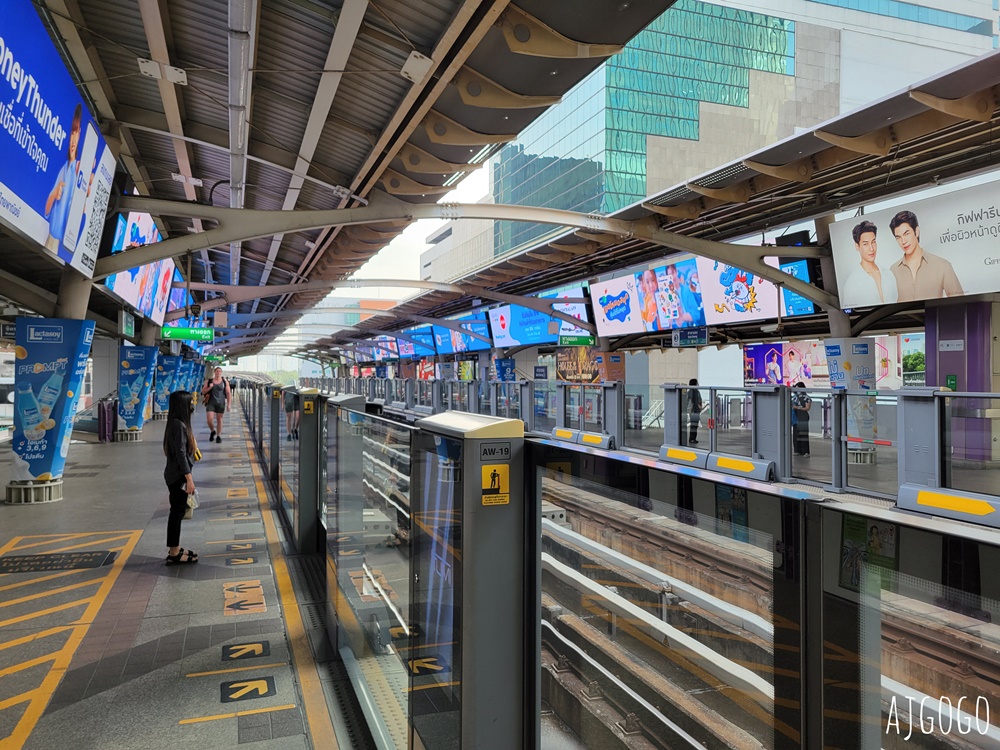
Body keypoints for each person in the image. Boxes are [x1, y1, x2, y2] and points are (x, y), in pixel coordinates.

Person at [888, 210, 963, 302]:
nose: (903, 241)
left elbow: (960, 302)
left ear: (916, 231)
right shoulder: (893, 271)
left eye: (906, 234)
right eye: (898, 237)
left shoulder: (942, 265)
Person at [162, 390, 198, 565]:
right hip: (178, 476)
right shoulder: (179, 425)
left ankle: (174, 548)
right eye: (190, 403)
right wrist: (189, 478)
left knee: (177, 511)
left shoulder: (175, 423)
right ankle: (174, 552)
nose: (192, 406)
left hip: (174, 474)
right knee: (177, 512)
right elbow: (181, 453)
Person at [44, 104, 83, 253]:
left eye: (76, 132)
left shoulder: (80, 171)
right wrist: (55, 194)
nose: (73, 140)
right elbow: (47, 209)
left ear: (80, 133)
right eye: (71, 133)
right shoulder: (64, 168)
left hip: (66, 249)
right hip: (51, 242)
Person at [842, 220, 898, 307]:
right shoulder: (852, 283)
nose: (871, 248)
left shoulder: (889, 274)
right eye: (865, 244)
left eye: (873, 242)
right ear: (857, 246)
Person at [201, 367, 231, 443]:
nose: (218, 372)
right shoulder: (209, 381)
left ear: (221, 373)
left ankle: (218, 436)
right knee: (209, 419)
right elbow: (203, 391)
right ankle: (212, 431)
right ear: (214, 372)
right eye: (217, 371)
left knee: (219, 420)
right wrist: (209, 387)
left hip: (221, 403)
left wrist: (229, 404)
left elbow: (228, 393)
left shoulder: (225, 382)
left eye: (219, 371)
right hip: (211, 402)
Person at [791, 382, 812, 457]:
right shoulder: (795, 397)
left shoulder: (807, 397)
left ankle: (806, 451)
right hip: (795, 418)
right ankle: (797, 450)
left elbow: (807, 408)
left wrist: (798, 407)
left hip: (803, 417)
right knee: (796, 434)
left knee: (804, 434)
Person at [687, 378, 705, 445]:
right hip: (694, 411)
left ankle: (693, 438)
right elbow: (694, 400)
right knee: (694, 425)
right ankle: (692, 438)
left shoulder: (693, 391)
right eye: (697, 383)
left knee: (694, 425)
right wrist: (699, 406)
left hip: (694, 410)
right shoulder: (693, 391)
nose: (698, 384)